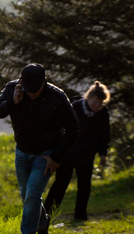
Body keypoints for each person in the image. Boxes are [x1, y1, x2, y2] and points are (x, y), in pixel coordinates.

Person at [0, 63, 79, 234]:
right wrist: (13, 102)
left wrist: (57, 157)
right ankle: (42, 222)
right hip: (22, 151)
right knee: (26, 195)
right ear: (21, 82)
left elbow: (73, 129)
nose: (31, 93)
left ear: (44, 82)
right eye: (28, 89)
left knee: (32, 195)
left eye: (35, 89)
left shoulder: (57, 96)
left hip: (46, 154)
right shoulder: (12, 89)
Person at [43, 81, 111, 222]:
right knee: (60, 184)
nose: (97, 105)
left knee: (85, 186)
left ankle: (80, 215)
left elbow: (104, 134)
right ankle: (46, 214)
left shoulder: (102, 112)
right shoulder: (74, 107)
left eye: (100, 103)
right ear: (88, 97)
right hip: (68, 153)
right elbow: (61, 128)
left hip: (87, 154)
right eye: (95, 102)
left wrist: (103, 153)